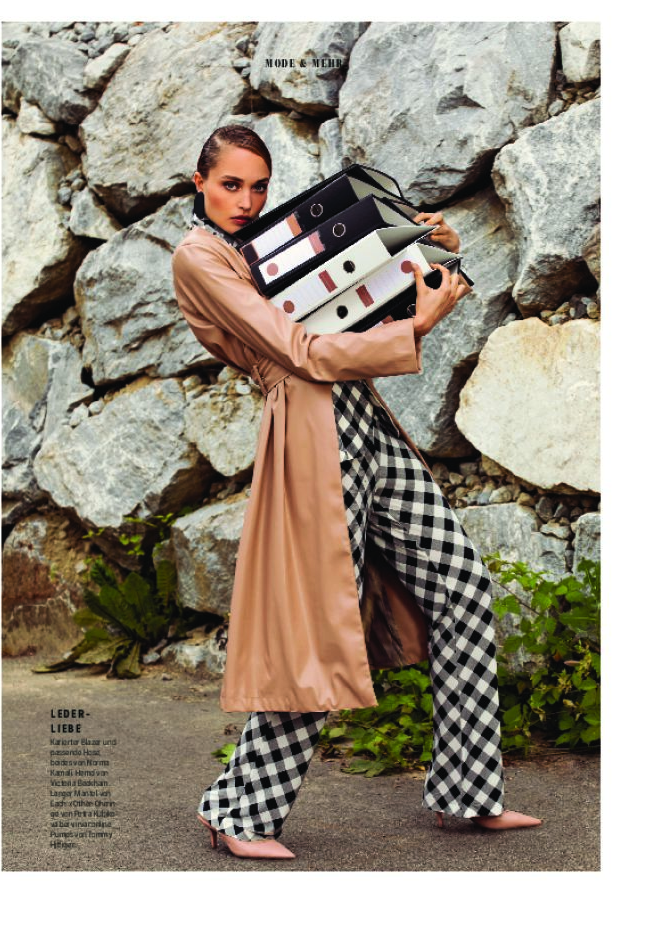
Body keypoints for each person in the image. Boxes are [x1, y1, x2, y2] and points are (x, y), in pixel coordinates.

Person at [172, 124, 542, 861]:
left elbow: (349, 306)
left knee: (462, 585)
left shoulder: (264, 243)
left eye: (258, 186)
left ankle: (468, 790)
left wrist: (429, 253)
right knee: (323, 621)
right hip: (309, 426)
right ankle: (238, 810)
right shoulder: (200, 257)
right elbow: (297, 349)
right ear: (199, 183)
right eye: (230, 185)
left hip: (361, 414)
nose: (246, 200)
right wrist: (417, 326)